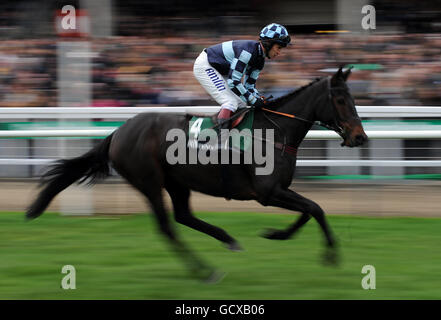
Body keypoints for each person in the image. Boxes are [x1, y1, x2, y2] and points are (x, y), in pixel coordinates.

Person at [193, 23, 291, 131]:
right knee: (230, 102)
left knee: (242, 103)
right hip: (205, 65)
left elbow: (249, 86)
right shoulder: (247, 52)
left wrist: (259, 100)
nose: (279, 52)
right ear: (269, 43)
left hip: (221, 69)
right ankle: (220, 137)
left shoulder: (260, 60)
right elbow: (234, 82)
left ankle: (233, 135)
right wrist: (254, 101)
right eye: (278, 47)